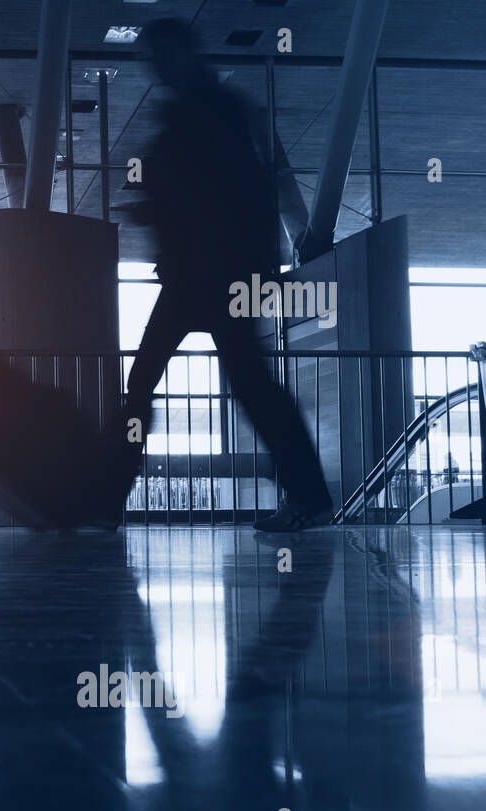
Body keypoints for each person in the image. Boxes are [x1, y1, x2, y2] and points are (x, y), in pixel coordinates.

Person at [113, 19, 334, 533]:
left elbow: (225, 194)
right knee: (249, 386)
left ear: (183, 54)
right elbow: (233, 192)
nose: (157, 67)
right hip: (212, 276)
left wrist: (156, 211)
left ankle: (108, 500)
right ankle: (308, 496)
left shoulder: (200, 113)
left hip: (207, 277)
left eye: (161, 56)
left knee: (152, 383)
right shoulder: (208, 110)